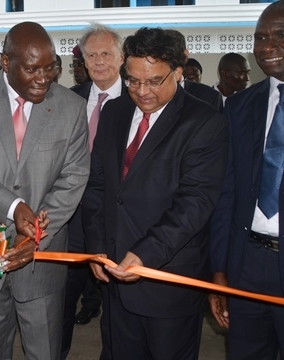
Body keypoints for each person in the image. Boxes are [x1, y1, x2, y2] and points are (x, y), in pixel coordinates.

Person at [0, 21, 90, 360]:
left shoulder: (70, 107)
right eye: (32, 68)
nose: (44, 78)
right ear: (6, 63)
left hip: (42, 258)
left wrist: (36, 237)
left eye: (50, 67)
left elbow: (74, 177)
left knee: (44, 351)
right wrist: (12, 206)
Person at [83, 27, 228, 360]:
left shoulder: (204, 123)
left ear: (178, 71)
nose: (142, 92)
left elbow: (195, 204)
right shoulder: (114, 112)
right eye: (133, 81)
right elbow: (98, 185)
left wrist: (145, 253)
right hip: (114, 276)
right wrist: (96, 247)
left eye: (153, 81)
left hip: (168, 281)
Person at [209, 0, 284, 360]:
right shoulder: (241, 106)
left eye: (282, 35)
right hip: (247, 264)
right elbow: (227, 193)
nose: (267, 46)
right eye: (260, 37)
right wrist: (219, 269)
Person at [62, 23, 124, 360]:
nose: (98, 61)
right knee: (60, 304)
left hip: (115, 221)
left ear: (121, 57)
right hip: (69, 219)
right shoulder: (70, 100)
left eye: (105, 53)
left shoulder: (136, 100)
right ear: (83, 62)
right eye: (91, 55)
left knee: (117, 309)